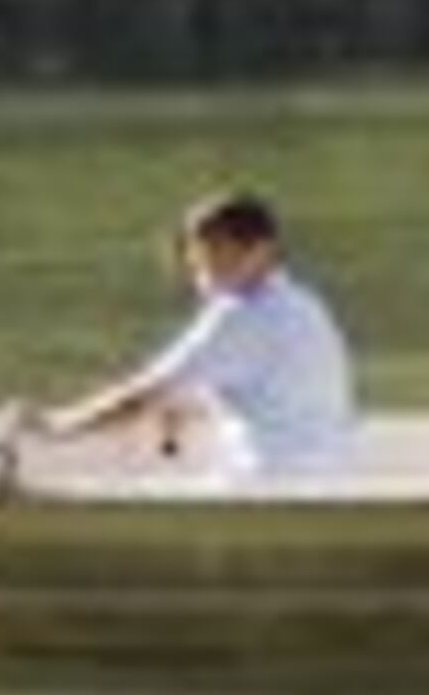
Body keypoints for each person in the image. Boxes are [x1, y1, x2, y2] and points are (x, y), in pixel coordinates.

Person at [32, 185, 357, 477]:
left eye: (216, 252)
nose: (201, 270)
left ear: (262, 251)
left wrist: (56, 425)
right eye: (196, 255)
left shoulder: (238, 314)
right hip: (325, 474)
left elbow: (141, 395)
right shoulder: (302, 301)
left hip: (266, 484)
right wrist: (177, 407)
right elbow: (267, 393)